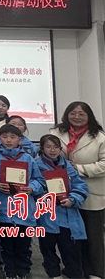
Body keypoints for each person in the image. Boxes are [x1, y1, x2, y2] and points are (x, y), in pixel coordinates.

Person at [50, 101, 105, 279]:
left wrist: (79, 169)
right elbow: (48, 154)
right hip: (63, 192)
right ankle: (74, 270)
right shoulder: (56, 133)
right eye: (73, 113)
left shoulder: (99, 137)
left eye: (82, 114)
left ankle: (95, 271)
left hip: (92, 192)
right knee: (70, 237)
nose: (77, 117)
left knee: (93, 236)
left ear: (89, 116)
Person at [0, 124, 45, 279]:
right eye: (5, 137)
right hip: (3, 210)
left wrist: (32, 187)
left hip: (24, 211)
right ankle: (9, 272)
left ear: (20, 139)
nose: (8, 140)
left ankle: (23, 271)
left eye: (13, 137)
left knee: (23, 245)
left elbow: (40, 180)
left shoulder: (28, 158)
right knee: (5, 245)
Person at [36, 134, 88, 279]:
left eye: (56, 147)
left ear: (60, 149)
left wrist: (73, 199)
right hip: (47, 217)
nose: (52, 150)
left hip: (68, 216)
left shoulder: (67, 166)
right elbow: (34, 187)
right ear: (42, 149)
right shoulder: (36, 166)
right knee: (48, 250)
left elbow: (80, 185)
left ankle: (73, 273)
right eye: (48, 147)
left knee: (71, 250)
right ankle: (54, 274)